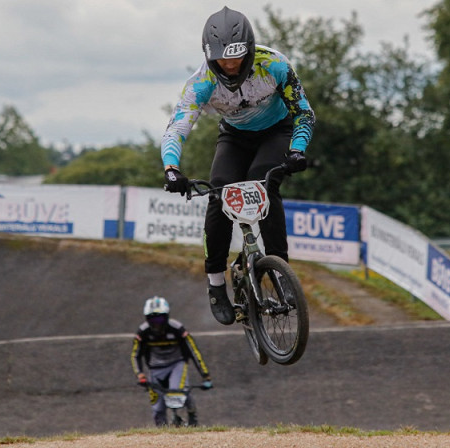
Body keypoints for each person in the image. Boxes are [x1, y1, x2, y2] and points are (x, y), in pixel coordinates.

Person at [161, 6, 315, 326]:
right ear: (208, 55)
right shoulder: (201, 82)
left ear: (249, 49)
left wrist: (298, 150)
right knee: (219, 192)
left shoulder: (275, 65)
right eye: (221, 59)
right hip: (234, 137)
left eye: (236, 57)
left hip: (277, 132)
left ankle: (280, 272)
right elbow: (176, 128)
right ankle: (216, 285)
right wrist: (171, 169)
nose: (229, 65)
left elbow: (304, 113)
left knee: (263, 181)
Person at [130, 296, 212, 427]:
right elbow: (135, 355)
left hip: (176, 365)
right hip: (155, 369)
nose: (156, 323)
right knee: (157, 409)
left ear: (167, 316)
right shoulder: (142, 332)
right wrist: (140, 374)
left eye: (160, 319)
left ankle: (192, 415)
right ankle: (162, 434)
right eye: (152, 319)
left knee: (177, 393)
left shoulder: (178, 329)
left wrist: (205, 375)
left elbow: (194, 351)